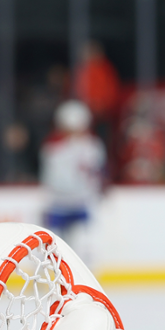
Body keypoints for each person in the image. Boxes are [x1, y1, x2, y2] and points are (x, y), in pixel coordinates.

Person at [39, 100, 106, 262]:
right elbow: (52, 179)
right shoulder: (53, 148)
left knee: (84, 247)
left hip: (82, 203)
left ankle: (83, 282)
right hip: (58, 204)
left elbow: (98, 173)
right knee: (53, 249)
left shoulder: (93, 146)